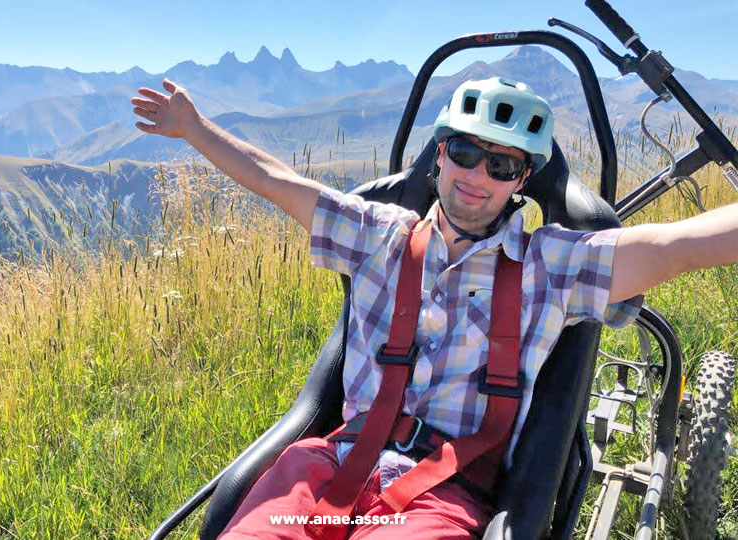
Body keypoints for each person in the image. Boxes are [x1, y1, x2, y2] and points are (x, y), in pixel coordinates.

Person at [131, 77, 738, 540]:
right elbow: (275, 181)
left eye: (501, 165)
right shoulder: (377, 234)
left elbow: (685, 244)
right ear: (438, 155)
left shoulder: (551, 265)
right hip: (331, 462)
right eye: (465, 154)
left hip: (446, 490)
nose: (478, 176)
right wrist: (193, 126)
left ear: (522, 180)